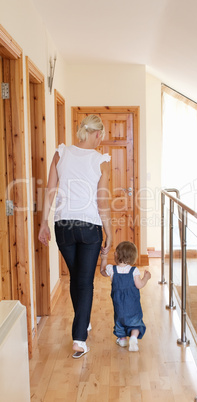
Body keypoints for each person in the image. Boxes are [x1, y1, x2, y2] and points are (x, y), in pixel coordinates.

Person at [38, 114, 112, 358]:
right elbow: (102, 201)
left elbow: (50, 191)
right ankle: (79, 339)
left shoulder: (61, 153)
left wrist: (43, 224)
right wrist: (109, 232)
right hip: (90, 226)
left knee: (75, 278)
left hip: (63, 225)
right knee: (85, 281)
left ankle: (82, 319)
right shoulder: (100, 160)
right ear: (98, 134)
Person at [100, 241, 151, 352]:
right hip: (133, 305)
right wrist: (146, 277)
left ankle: (122, 339)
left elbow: (102, 271)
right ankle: (133, 337)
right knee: (135, 323)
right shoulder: (134, 271)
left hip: (119, 305)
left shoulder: (111, 269)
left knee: (119, 321)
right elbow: (139, 285)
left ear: (117, 255)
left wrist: (103, 258)